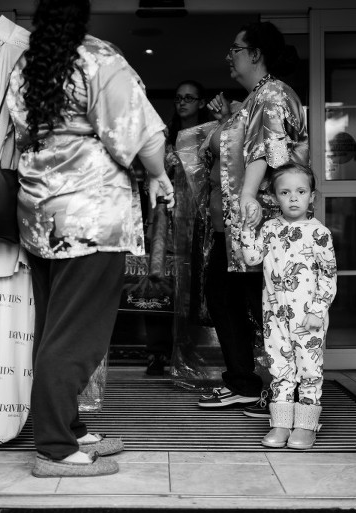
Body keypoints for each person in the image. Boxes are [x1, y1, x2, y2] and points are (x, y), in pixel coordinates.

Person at [6, 0, 174, 477]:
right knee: (77, 336)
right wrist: (158, 175)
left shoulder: (27, 65)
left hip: (40, 217)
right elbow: (140, 134)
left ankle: (70, 427)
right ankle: (55, 449)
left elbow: (19, 134)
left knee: (55, 328)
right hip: (90, 219)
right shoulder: (98, 58)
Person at [178, 22, 308, 410]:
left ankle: (291, 389)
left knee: (267, 304)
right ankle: (246, 382)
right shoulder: (256, 97)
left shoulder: (271, 94)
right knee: (229, 298)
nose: (229, 57)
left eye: (235, 49)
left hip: (261, 226)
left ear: (256, 53)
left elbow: (272, 151)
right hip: (238, 228)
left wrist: (249, 193)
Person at [240, 163, 337, 449]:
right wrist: (248, 228)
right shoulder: (269, 229)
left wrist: (318, 310)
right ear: (273, 198)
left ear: (312, 197)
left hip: (309, 319)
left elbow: (328, 275)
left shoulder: (319, 233)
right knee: (279, 368)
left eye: (300, 191)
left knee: (309, 369)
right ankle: (281, 423)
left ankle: (306, 426)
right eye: (285, 192)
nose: (293, 198)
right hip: (275, 317)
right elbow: (253, 259)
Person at [145, 80, 212, 377]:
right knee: (163, 282)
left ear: (201, 102)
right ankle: (157, 352)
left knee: (194, 286)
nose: (182, 102)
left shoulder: (211, 133)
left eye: (189, 98)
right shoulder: (166, 134)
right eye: (178, 97)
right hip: (169, 218)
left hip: (200, 218)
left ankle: (189, 351)